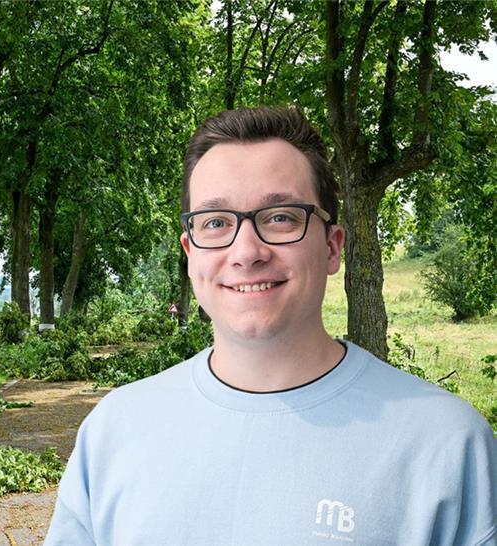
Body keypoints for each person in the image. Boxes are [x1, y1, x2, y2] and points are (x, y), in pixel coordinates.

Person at [44, 106, 496, 545]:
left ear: (332, 247)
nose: (246, 251)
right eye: (216, 222)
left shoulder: (448, 446)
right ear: (190, 253)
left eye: (280, 218)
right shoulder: (113, 431)